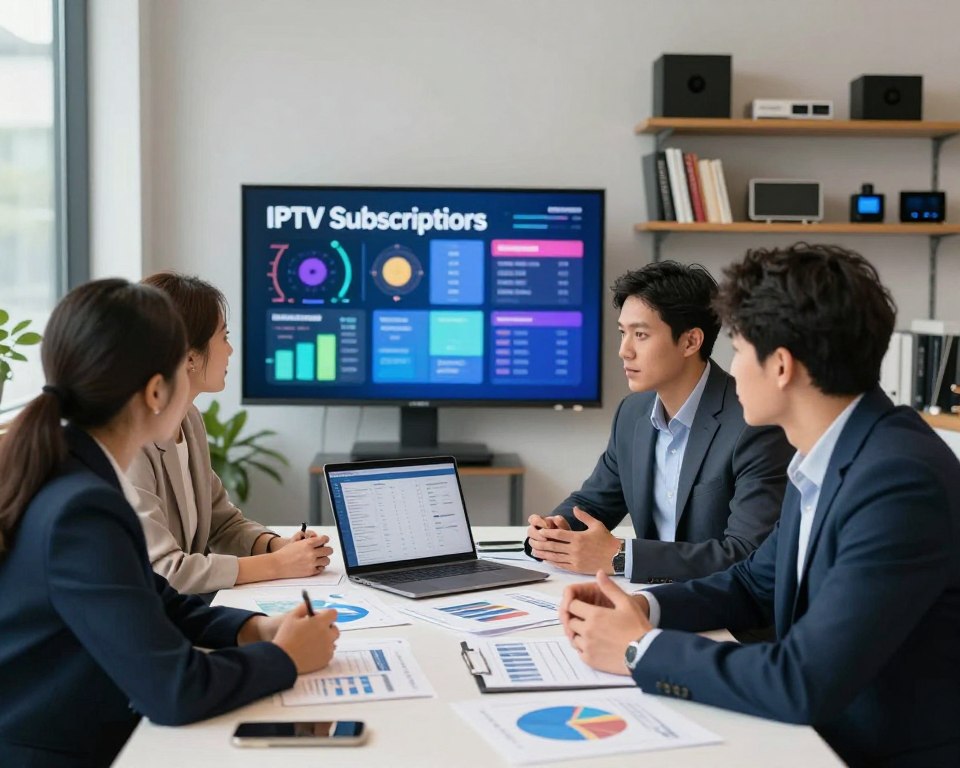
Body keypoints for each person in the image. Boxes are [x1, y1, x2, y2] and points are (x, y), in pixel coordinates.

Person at [560, 243, 960, 767]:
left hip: (867, 751)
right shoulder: (828, 450)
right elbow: (755, 582)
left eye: (739, 348)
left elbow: (802, 679)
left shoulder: (898, 481)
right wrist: (645, 609)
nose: (730, 369)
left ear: (781, 367)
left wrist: (639, 650)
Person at [0, 279, 339, 767]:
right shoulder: (81, 510)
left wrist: (257, 629)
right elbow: (175, 690)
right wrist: (285, 658)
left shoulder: (74, 474)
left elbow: (155, 601)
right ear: (158, 390)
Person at [526, 260, 792, 583]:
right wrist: (556, 529)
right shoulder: (632, 414)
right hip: (651, 603)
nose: (624, 351)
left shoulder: (754, 422)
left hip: (727, 621)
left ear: (691, 342)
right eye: (623, 333)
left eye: (640, 335)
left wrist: (621, 556)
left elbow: (747, 554)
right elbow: (593, 502)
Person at [128, 272, 332, 594]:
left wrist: (277, 546)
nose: (231, 350)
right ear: (190, 357)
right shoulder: (132, 443)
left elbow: (222, 522)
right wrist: (280, 565)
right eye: (224, 337)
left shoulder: (189, 419)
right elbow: (164, 571)